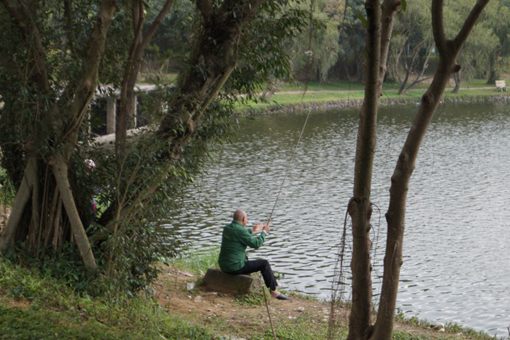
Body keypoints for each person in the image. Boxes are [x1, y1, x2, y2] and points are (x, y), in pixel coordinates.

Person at [218, 209, 288, 300]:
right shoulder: (241, 231)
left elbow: (240, 234)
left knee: (246, 259)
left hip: (224, 266)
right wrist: (264, 232)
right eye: (247, 218)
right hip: (234, 267)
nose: (247, 220)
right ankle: (273, 291)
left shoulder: (227, 228)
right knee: (264, 264)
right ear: (243, 219)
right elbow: (256, 244)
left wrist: (253, 231)